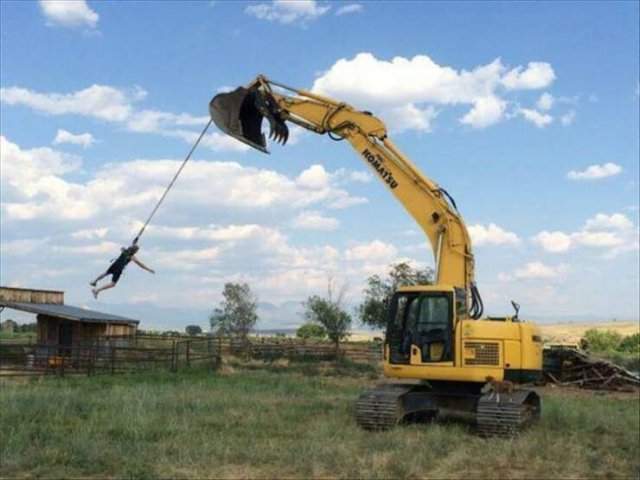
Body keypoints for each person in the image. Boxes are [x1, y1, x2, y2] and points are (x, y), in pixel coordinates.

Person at [90, 244, 154, 298]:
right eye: (137, 250)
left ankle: (94, 281)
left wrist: (131, 247)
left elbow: (122, 248)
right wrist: (149, 269)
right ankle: (97, 290)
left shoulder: (125, 251)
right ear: (135, 251)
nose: (137, 251)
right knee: (113, 284)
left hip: (115, 264)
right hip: (119, 268)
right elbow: (140, 264)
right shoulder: (132, 257)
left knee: (106, 273)